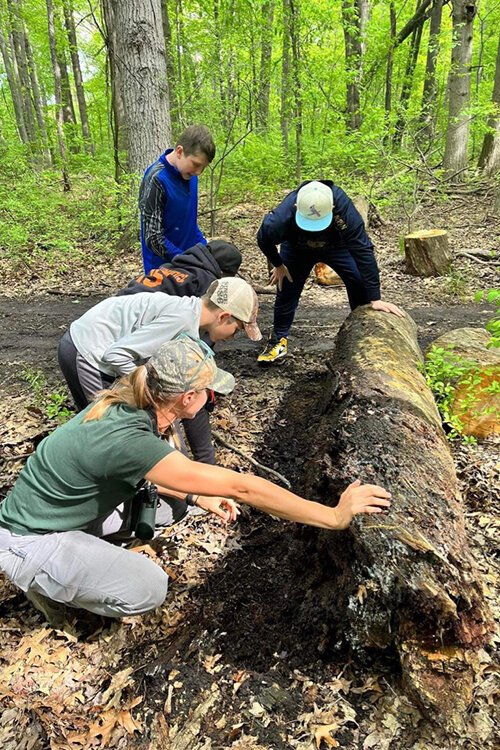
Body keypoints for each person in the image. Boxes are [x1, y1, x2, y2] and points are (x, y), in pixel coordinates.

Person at [0, 335, 392, 628]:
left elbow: (157, 474)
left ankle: (81, 563)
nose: (211, 396)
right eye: (207, 390)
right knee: (148, 588)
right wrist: (334, 516)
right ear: (188, 398)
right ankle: (56, 591)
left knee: (172, 505)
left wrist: (196, 496)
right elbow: (243, 487)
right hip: (30, 538)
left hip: (59, 513)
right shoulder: (129, 438)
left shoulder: (132, 401)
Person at [58, 277, 261, 465]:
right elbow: (116, 355)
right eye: (237, 329)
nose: (234, 337)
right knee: (109, 428)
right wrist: (150, 393)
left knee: (142, 420)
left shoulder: (190, 320)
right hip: (87, 351)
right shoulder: (180, 319)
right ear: (224, 316)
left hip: (104, 350)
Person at [256, 180, 405, 365]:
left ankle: (362, 334)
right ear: (296, 206)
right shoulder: (282, 217)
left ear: (332, 207)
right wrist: (278, 265)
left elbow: (363, 250)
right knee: (287, 285)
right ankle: (278, 340)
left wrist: (375, 297)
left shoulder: (345, 211)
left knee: (359, 280)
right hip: (297, 248)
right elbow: (263, 238)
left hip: (337, 246)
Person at [139, 124, 215, 273]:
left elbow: (189, 222)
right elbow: (152, 237)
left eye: (203, 168)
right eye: (196, 164)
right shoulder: (156, 179)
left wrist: (203, 249)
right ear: (180, 151)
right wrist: (184, 258)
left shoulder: (190, 174)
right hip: (162, 269)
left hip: (190, 263)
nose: (199, 172)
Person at [116, 239, 242, 298]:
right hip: (140, 310)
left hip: (119, 299)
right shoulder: (206, 280)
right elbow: (204, 319)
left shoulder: (173, 265)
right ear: (222, 272)